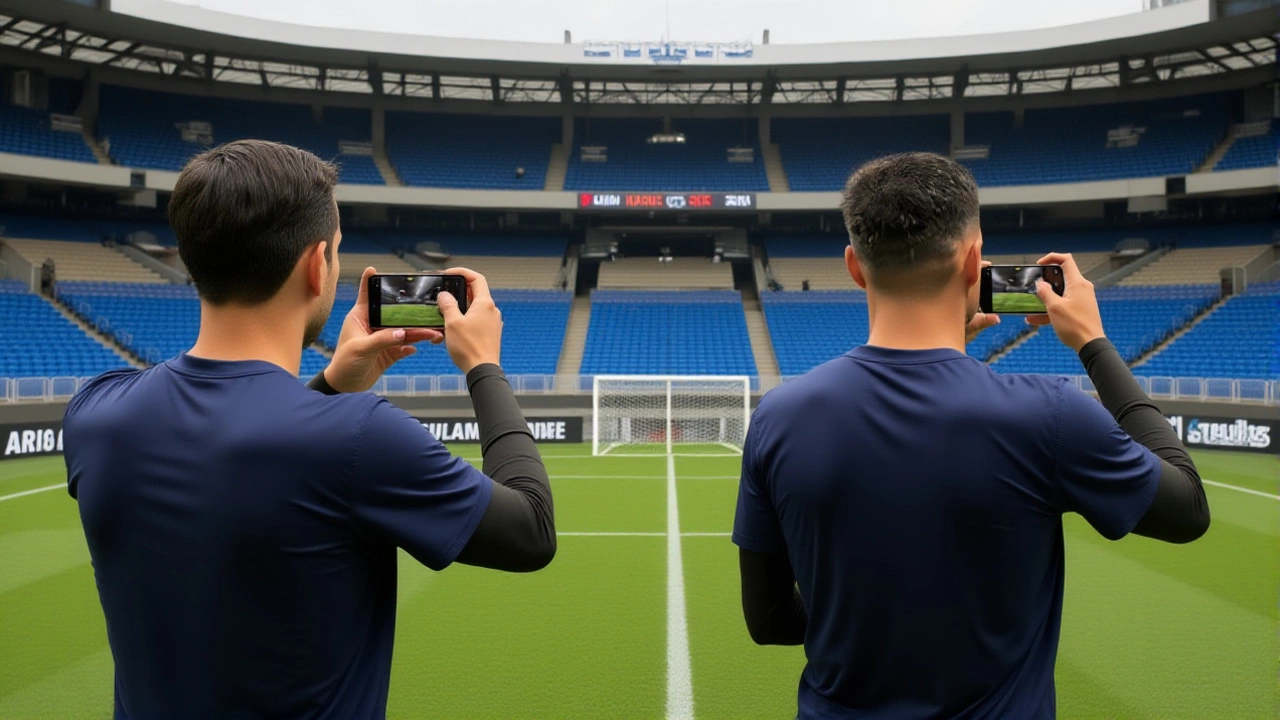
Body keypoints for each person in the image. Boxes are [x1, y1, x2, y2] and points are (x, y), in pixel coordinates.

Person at [63, 140, 556, 720]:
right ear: (316, 264)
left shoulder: (95, 413)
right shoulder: (359, 438)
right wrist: (483, 365)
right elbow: (531, 529)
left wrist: (328, 384)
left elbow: (241, 448)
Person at [733, 152, 1208, 720]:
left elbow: (768, 622)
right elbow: (1187, 508)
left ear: (855, 266)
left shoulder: (778, 416)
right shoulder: (1049, 415)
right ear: (974, 261)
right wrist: (1093, 343)